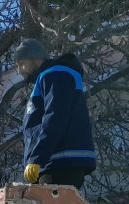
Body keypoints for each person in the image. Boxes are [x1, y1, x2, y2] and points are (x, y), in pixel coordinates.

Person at [14, 39, 96, 190]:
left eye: (21, 64)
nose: (20, 71)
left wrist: (37, 158)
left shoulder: (54, 74)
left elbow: (55, 117)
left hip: (60, 161)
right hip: (55, 161)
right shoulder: (50, 76)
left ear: (34, 58)